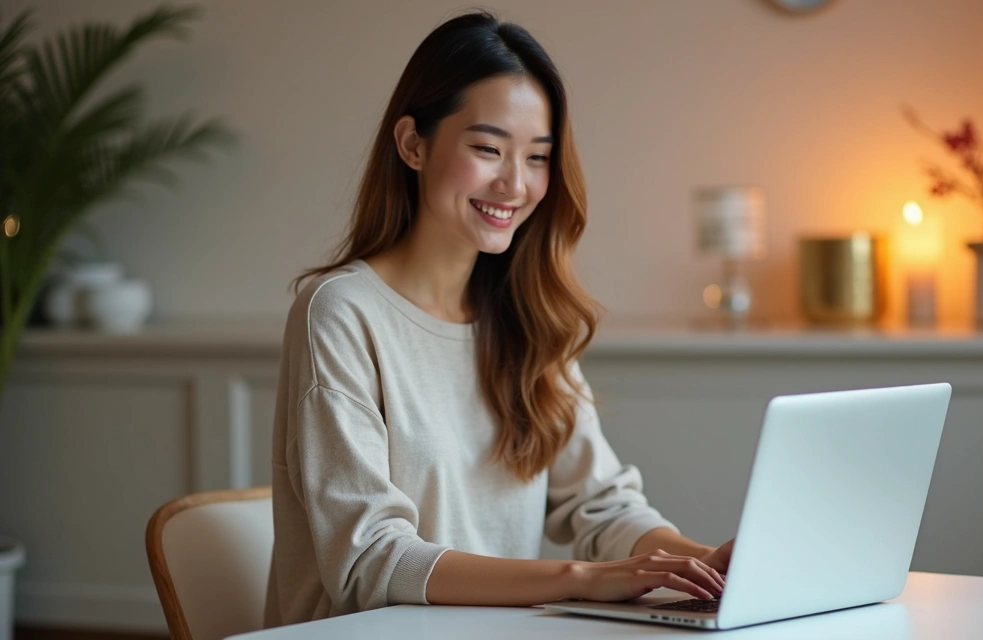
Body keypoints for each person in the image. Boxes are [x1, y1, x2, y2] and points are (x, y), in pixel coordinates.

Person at [264, 10, 733, 626]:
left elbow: (603, 506)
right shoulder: (339, 313)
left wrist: (704, 565)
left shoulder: (528, 318)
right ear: (413, 144)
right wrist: (582, 580)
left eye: (538, 158)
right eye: (488, 149)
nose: (515, 183)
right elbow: (369, 560)